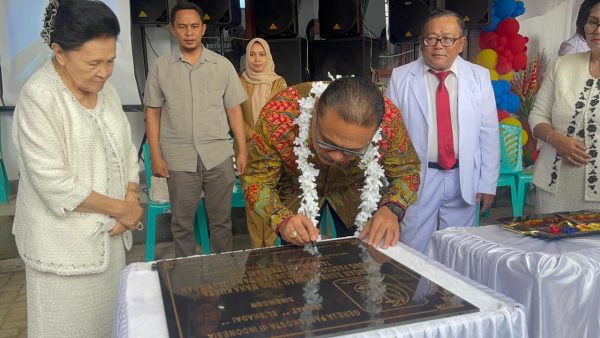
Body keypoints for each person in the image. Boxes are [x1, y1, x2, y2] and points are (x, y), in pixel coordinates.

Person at [11, 0, 143, 336]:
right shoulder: (39, 97)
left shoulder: (107, 91)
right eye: (94, 63)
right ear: (60, 52)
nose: (104, 71)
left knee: (111, 326)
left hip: (110, 243)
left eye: (111, 61)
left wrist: (131, 194)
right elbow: (53, 181)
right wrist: (123, 210)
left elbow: (127, 149)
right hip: (62, 251)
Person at [241, 77, 421, 249]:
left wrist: (391, 209)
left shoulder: (390, 122)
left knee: (361, 262)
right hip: (296, 191)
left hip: (355, 192)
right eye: (327, 142)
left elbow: (407, 173)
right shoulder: (278, 115)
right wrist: (281, 219)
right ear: (317, 107)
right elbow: (256, 180)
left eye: (352, 151)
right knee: (297, 266)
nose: (336, 157)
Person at [387, 9, 500, 253]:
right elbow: (391, 135)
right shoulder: (400, 77)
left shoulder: (479, 77)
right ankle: (415, 292)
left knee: (459, 248)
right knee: (412, 244)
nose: (439, 46)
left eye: (448, 39)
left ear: (461, 44)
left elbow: (488, 132)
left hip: (463, 176)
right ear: (421, 41)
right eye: (431, 38)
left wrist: (488, 182)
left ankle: (452, 293)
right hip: (418, 177)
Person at [144, 2, 247, 256]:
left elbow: (234, 110)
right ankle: (186, 286)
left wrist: (242, 149)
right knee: (181, 225)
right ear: (172, 30)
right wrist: (156, 156)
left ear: (203, 29)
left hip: (218, 156)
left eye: (193, 26)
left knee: (221, 223)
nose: (188, 32)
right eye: (182, 27)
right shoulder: (161, 68)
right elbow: (153, 112)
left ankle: (222, 282)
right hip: (179, 159)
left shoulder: (222, 65)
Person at [529, 0, 600, 213]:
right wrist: (556, 139)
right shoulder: (562, 65)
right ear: (583, 26)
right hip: (554, 187)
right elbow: (537, 116)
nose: (597, 30)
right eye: (592, 22)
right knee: (549, 245)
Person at [239, 38, 287, 248]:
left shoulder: (279, 82)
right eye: (252, 54)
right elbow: (235, 115)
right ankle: (256, 252)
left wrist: (263, 137)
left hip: (272, 152)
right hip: (247, 149)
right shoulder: (240, 82)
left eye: (261, 54)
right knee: (252, 202)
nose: (257, 59)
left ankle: (271, 249)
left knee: (270, 200)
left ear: (268, 57)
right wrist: (251, 134)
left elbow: (281, 115)